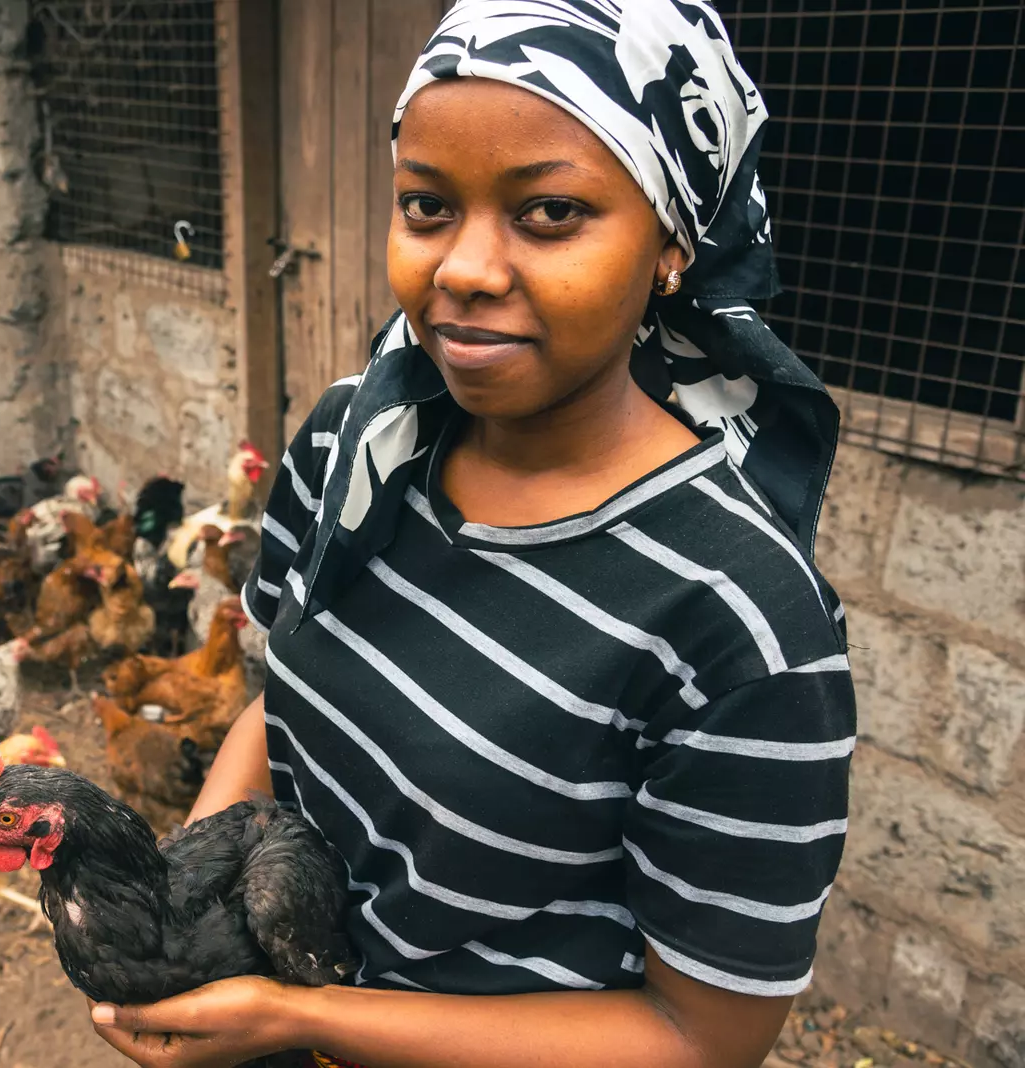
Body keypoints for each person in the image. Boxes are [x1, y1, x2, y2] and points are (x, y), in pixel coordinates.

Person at [90, 3, 855, 1066]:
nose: (464, 269)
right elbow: (281, 707)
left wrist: (305, 1018)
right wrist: (191, 904)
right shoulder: (354, 444)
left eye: (547, 213)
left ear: (672, 243)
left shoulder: (740, 625)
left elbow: (699, 1039)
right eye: (425, 206)